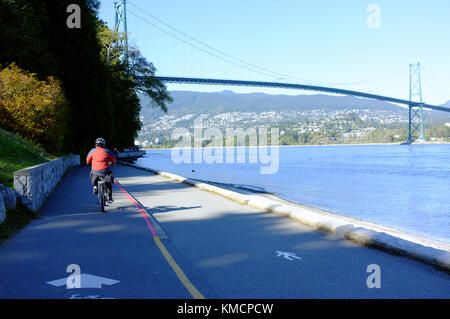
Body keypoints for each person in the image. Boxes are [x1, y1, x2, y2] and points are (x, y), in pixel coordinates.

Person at [86, 137, 116, 203]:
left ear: (96, 145)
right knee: (108, 183)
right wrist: (112, 163)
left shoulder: (92, 151)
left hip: (95, 173)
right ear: (104, 145)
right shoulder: (107, 151)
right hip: (105, 172)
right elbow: (113, 160)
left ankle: (94, 186)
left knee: (92, 173)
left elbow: (87, 161)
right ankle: (110, 197)